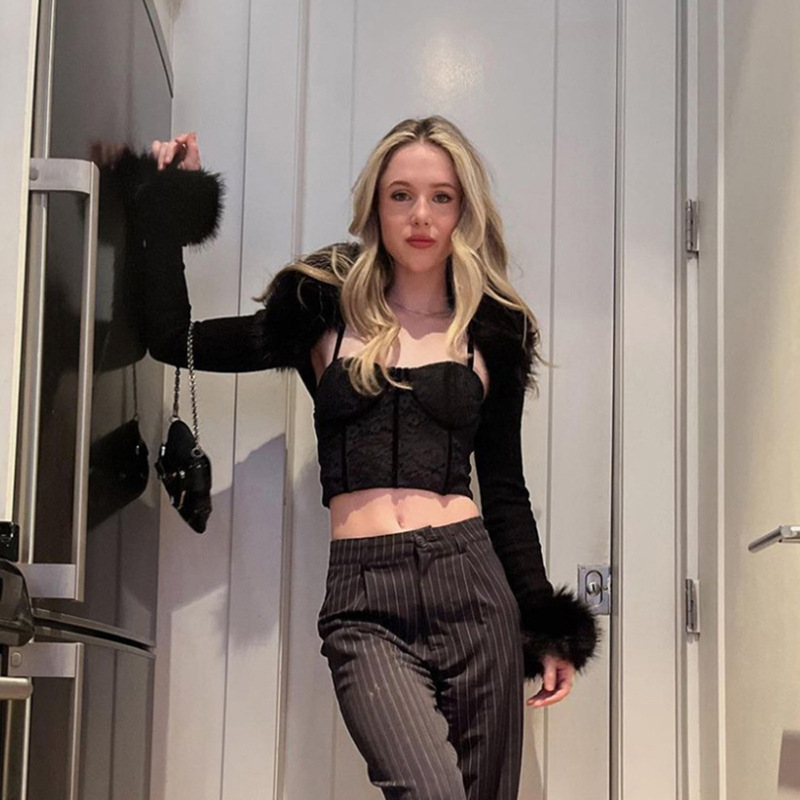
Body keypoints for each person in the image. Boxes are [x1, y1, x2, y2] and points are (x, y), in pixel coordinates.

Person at [129, 116, 598, 800]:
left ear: (464, 210)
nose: (420, 215)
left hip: (472, 586)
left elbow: (503, 489)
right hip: (364, 599)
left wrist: (545, 623)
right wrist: (170, 208)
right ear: (375, 205)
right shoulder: (319, 312)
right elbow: (175, 340)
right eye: (401, 194)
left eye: (441, 197)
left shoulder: (493, 331)